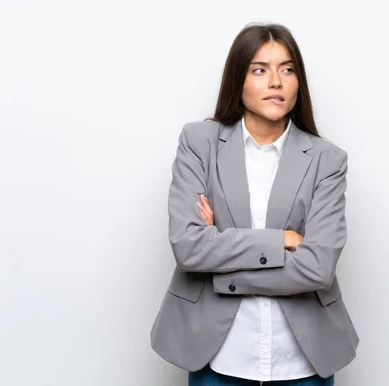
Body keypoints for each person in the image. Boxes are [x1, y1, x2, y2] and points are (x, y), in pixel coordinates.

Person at [150, 23, 358, 385]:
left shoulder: (328, 160)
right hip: (217, 355)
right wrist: (282, 240)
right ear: (238, 79)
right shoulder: (199, 143)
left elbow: (318, 269)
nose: (275, 82)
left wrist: (220, 263)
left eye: (287, 69)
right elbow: (189, 249)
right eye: (259, 70)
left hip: (302, 359)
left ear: (298, 83)